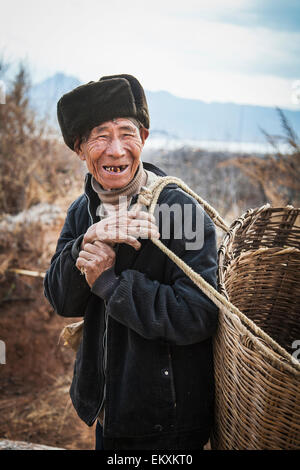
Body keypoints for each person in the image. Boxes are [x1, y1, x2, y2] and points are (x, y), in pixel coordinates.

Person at [44, 74, 219, 450]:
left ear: (144, 139)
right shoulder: (83, 211)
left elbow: (199, 314)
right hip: (108, 410)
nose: (116, 150)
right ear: (80, 149)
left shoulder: (179, 210)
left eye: (127, 133)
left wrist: (110, 283)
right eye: (100, 136)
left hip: (167, 419)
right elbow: (61, 300)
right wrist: (84, 247)